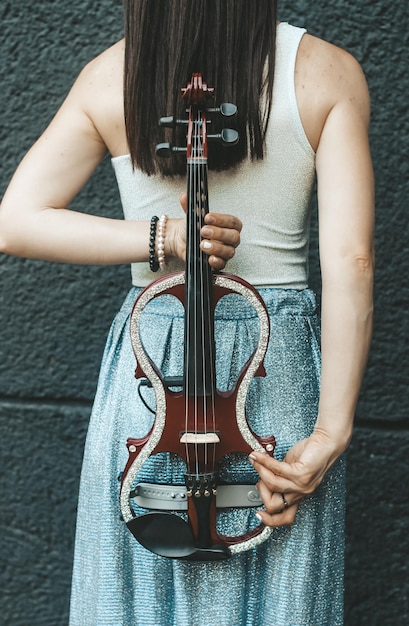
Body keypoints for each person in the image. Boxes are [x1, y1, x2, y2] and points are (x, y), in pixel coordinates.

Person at [0, 1, 374, 624]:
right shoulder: (325, 71)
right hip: (270, 363)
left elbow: (13, 221)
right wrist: (331, 430)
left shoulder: (110, 75)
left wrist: (157, 240)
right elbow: (351, 263)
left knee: (134, 589)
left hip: (155, 368)